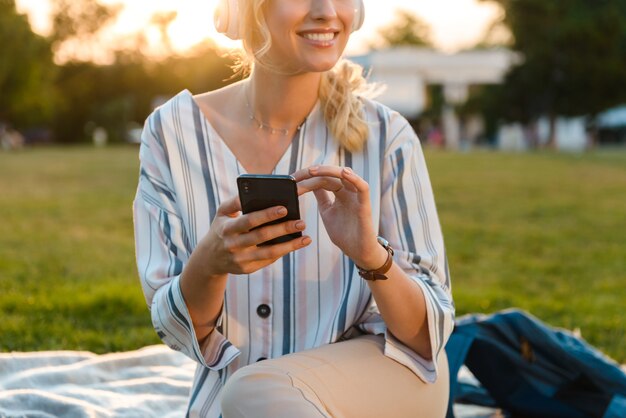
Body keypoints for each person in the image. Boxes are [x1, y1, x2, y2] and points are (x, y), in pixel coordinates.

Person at [133, 0, 454, 416]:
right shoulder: (171, 132)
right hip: (232, 406)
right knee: (252, 397)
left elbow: (428, 337)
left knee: (255, 395)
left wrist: (370, 255)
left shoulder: (387, 136)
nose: (326, 12)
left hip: (392, 379)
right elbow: (176, 330)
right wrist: (208, 265)